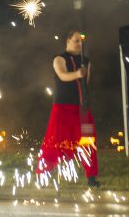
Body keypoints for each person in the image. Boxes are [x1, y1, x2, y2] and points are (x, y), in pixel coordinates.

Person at [36, 30, 100, 188]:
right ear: (68, 41)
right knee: (54, 141)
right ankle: (43, 172)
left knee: (88, 142)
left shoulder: (86, 61)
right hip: (62, 108)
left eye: (81, 41)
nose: (79, 44)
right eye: (76, 41)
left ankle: (91, 177)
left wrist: (82, 76)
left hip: (82, 109)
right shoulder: (59, 59)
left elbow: (86, 82)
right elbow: (63, 76)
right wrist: (78, 73)